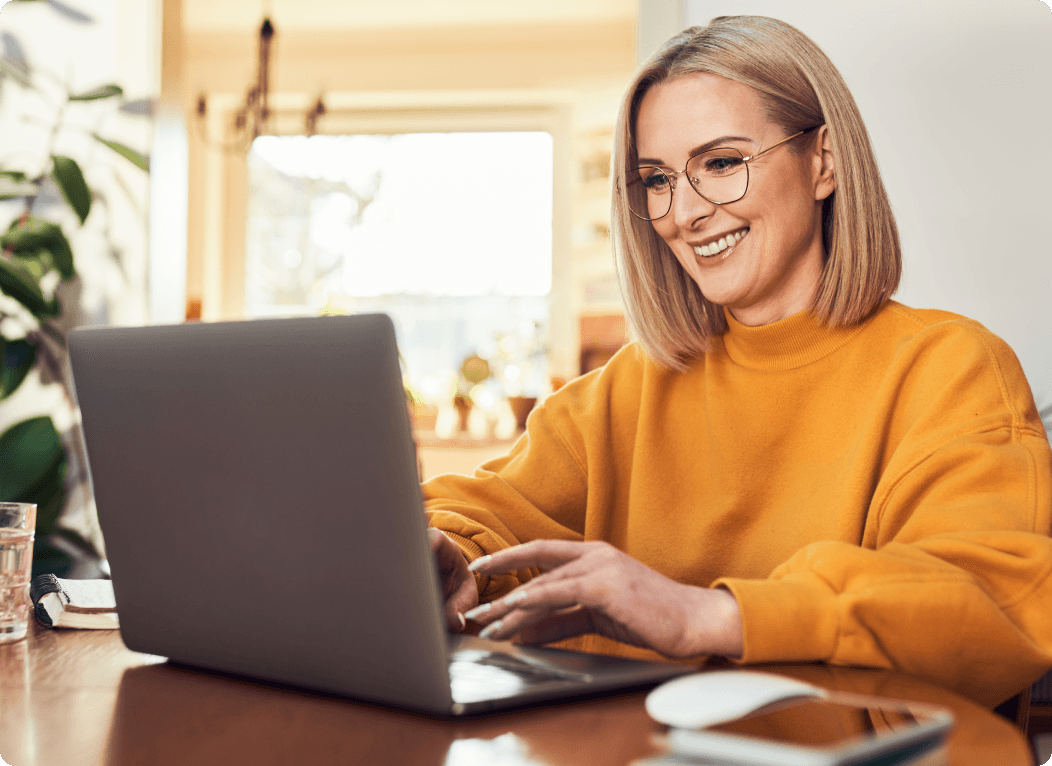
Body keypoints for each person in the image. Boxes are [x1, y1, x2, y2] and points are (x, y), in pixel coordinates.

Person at [422, 15, 1052, 709]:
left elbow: (987, 599)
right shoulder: (623, 392)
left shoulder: (951, 369)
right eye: (656, 179)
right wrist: (444, 549)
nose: (683, 213)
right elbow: (482, 507)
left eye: (721, 163)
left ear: (824, 162)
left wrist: (707, 615)